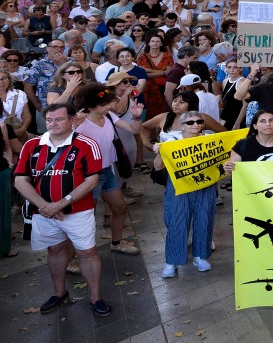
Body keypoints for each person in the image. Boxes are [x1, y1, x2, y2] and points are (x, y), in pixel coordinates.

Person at [14, 102, 110, 316]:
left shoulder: (86, 144)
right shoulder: (32, 146)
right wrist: (44, 206)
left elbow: (92, 180)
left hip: (78, 212)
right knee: (54, 250)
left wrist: (61, 203)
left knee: (87, 252)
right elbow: (20, 180)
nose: (53, 124)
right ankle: (59, 293)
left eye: (59, 119)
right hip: (44, 212)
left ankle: (95, 297)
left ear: (72, 120)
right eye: (49, 120)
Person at [73, 82, 142, 256]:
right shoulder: (79, 122)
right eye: (104, 104)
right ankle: (77, 254)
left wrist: (136, 117)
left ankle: (117, 242)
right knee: (86, 216)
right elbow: (64, 144)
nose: (109, 106)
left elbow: (134, 129)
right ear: (89, 105)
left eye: (109, 103)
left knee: (119, 207)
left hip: (107, 171)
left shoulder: (110, 116)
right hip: (87, 175)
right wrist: (73, 127)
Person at [152, 110, 217, 278]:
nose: (195, 124)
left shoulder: (210, 140)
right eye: (190, 122)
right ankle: (171, 261)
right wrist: (160, 152)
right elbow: (158, 167)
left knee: (205, 219)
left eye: (199, 121)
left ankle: (200, 256)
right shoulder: (171, 141)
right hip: (179, 186)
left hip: (205, 185)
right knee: (177, 221)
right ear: (182, 125)